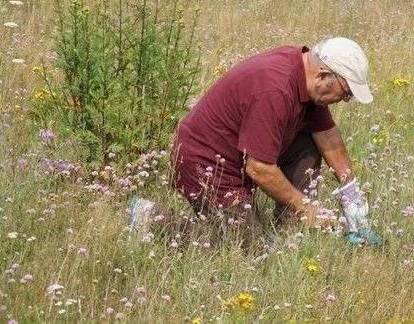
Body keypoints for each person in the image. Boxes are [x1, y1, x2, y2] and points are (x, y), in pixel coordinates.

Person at [128, 36, 381, 248]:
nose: (344, 101)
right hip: (206, 166)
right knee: (242, 250)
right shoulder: (275, 89)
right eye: (345, 93)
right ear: (323, 75)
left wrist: (351, 192)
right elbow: (259, 167)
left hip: (237, 157)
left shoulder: (305, 78)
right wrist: (306, 208)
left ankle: (287, 235)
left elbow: (327, 134)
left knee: (309, 141)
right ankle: (150, 218)